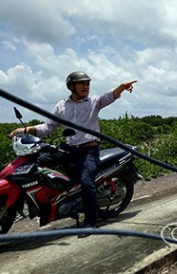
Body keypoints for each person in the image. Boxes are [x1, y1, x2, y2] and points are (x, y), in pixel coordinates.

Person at [9, 71, 137, 236]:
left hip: (88, 151)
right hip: (67, 149)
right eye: (82, 83)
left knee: (86, 183)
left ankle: (91, 222)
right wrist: (25, 130)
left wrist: (122, 87)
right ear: (71, 86)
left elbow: (110, 96)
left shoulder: (94, 102)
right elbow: (48, 127)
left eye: (87, 83)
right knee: (34, 163)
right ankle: (48, 202)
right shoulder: (62, 106)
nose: (86, 87)